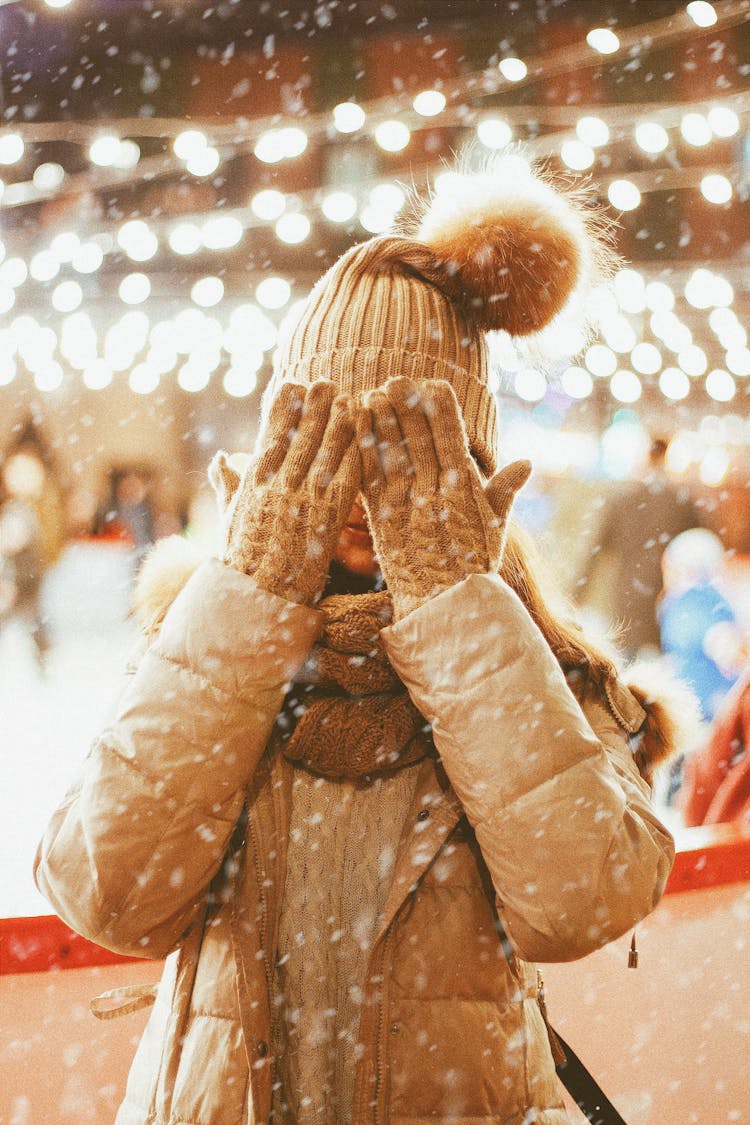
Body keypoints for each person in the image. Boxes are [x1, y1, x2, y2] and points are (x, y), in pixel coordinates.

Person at [35, 155, 678, 1125]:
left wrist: (456, 604)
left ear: (470, 465)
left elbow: (582, 899)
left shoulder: (542, 664)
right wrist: (250, 598)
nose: (363, 490)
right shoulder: (202, 638)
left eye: (406, 443)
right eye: (331, 435)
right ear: (279, 449)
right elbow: (105, 892)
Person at [579, 436, 703, 659]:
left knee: (626, 672)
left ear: (645, 457)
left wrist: (576, 594)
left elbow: (594, 552)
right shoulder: (681, 502)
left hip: (627, 600)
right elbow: (702, 548)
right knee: (668, 673)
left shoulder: (624, 500)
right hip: (667, 604)